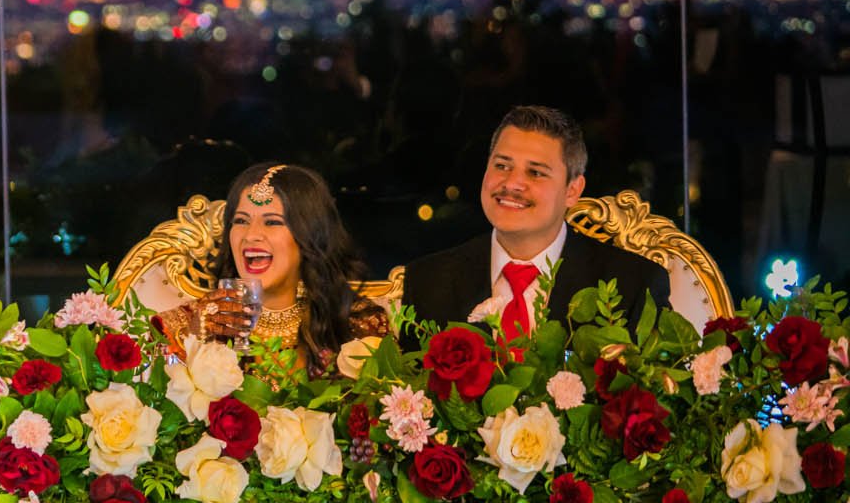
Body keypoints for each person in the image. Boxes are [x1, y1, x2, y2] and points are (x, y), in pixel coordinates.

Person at [403, 105, 668, 334]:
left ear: (572, 190)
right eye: (502, 166)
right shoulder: (428, 282)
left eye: (535, 173)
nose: (513, 183)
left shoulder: (633, 286)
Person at [154, 162, 391, 376]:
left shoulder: (356, 325)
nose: (251, 235)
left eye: (273, 222)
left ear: (308, 236)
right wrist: (194, 344)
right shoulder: (187, 324)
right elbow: (159, 408)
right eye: (241, 221)